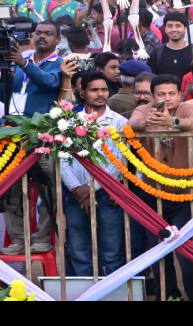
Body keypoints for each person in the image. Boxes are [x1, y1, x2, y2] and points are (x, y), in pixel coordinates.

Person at [128, 74, 193, 300]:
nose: (167, 98)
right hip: (153, 196)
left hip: (185, 196)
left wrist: (172, 122)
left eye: (172, 93)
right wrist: (148, 123)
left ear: (179, 94)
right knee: (159, 253)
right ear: (152, 96)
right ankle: (169, 297)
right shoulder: (145, 110)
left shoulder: (188, 108)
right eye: (161, 94)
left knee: (186, 252)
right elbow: (130, 125)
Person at [60, 70, 128, 276]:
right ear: (82, 92)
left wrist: (90, 189)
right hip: (75, 195)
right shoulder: (70, 123)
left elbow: (118, 162)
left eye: (104, 89)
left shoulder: (119, 122)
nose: (100, 94)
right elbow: (62, 161)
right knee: (80, 252)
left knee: (112, 253)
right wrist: (77, 189)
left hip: (107, 194)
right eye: (94, 90)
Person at [147, 12, 193, 81]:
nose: (174, 30)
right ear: (165, 29)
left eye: (178, 26)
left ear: (185, 28)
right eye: (170, 26)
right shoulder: (157, 53)